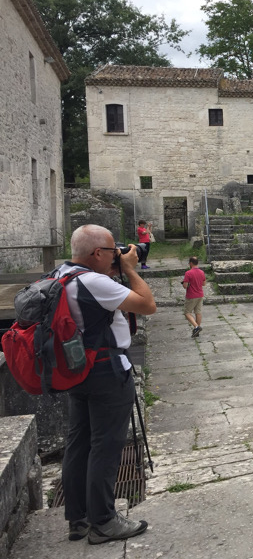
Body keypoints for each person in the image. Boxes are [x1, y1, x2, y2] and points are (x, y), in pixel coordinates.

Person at [57, 224, 156, 544]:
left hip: (77, 370)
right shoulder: (95, 282)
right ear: (97, 253)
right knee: (106, 446)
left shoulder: (61, 275)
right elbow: (147, 303)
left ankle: (79, 517)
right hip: (107, 373)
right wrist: (129, 269)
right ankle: (103, 521)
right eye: (113, 250)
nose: (117, 254)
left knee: (79, 443)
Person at [182, 256, 206, 338]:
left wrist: (186, 283)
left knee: (187, 312)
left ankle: (196, 327)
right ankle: (197, 331)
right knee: (198, 312)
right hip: (200, 295)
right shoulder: (202, 272)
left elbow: (185, 286)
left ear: (191, 263)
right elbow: (204, 284)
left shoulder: (188, 273)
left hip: (191, 295)